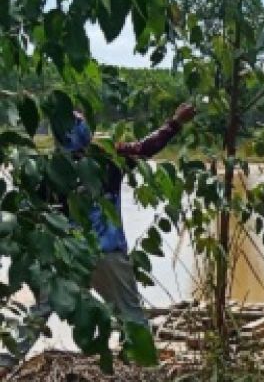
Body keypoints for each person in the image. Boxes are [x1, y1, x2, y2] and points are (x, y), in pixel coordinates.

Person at [3, 104, 196, 367]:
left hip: (67, 254)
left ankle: (6, 364)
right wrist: (175, 123)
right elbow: (146, 147)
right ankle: (146, 369)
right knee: (131, 316)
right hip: (108, 251)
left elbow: (33, 218)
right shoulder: (108, 159)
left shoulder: (50, 171)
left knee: (40, 311)